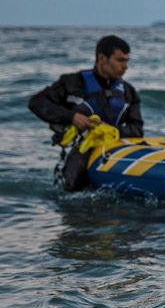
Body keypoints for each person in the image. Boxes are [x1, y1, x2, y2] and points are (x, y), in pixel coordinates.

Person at [29, 34, 143, 191]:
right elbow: (37, 103)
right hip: (78, 155)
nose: (125, 66)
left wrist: (111, 130)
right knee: (73, 197)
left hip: (111, 155)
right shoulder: (72, 83)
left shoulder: (129, 92)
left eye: (127, 61)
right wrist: (72, 117)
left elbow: (137, 129)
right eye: (120, 60)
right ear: (102, 58)